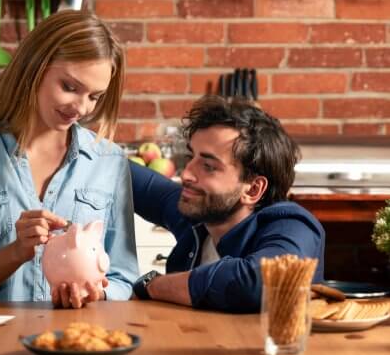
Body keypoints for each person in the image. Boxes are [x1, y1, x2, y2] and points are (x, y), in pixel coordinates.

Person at [0, 10, 139, 308]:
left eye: (95, 96)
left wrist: (97, 293)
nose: (81, 107)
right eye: (70, 87)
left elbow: (124, 279)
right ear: (34, 69)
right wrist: (14, 253)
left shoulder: (109, 161)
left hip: (76, 343)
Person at [130, 95, 325, 313]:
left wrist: (152, 285)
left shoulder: (292, 224)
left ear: (252, 189)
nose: (186, 174)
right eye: (190, 157)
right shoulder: (199, 212)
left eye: (208, 166)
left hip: (261, 347)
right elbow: (120, 172)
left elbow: (260, 283)